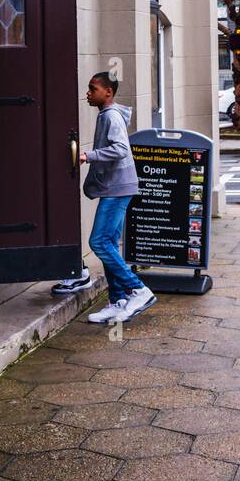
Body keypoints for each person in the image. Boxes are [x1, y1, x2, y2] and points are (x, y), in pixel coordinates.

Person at [78, 72, 156, 325]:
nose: (88, 93)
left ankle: (138, 290)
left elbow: (121, 149)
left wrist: (88, 156)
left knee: (99, 242)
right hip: (117, 187)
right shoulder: (107, 115)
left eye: (93, 89)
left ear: (108, 92)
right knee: (109, 242)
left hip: (118, 188)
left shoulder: (111, 116)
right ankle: (117, 301)